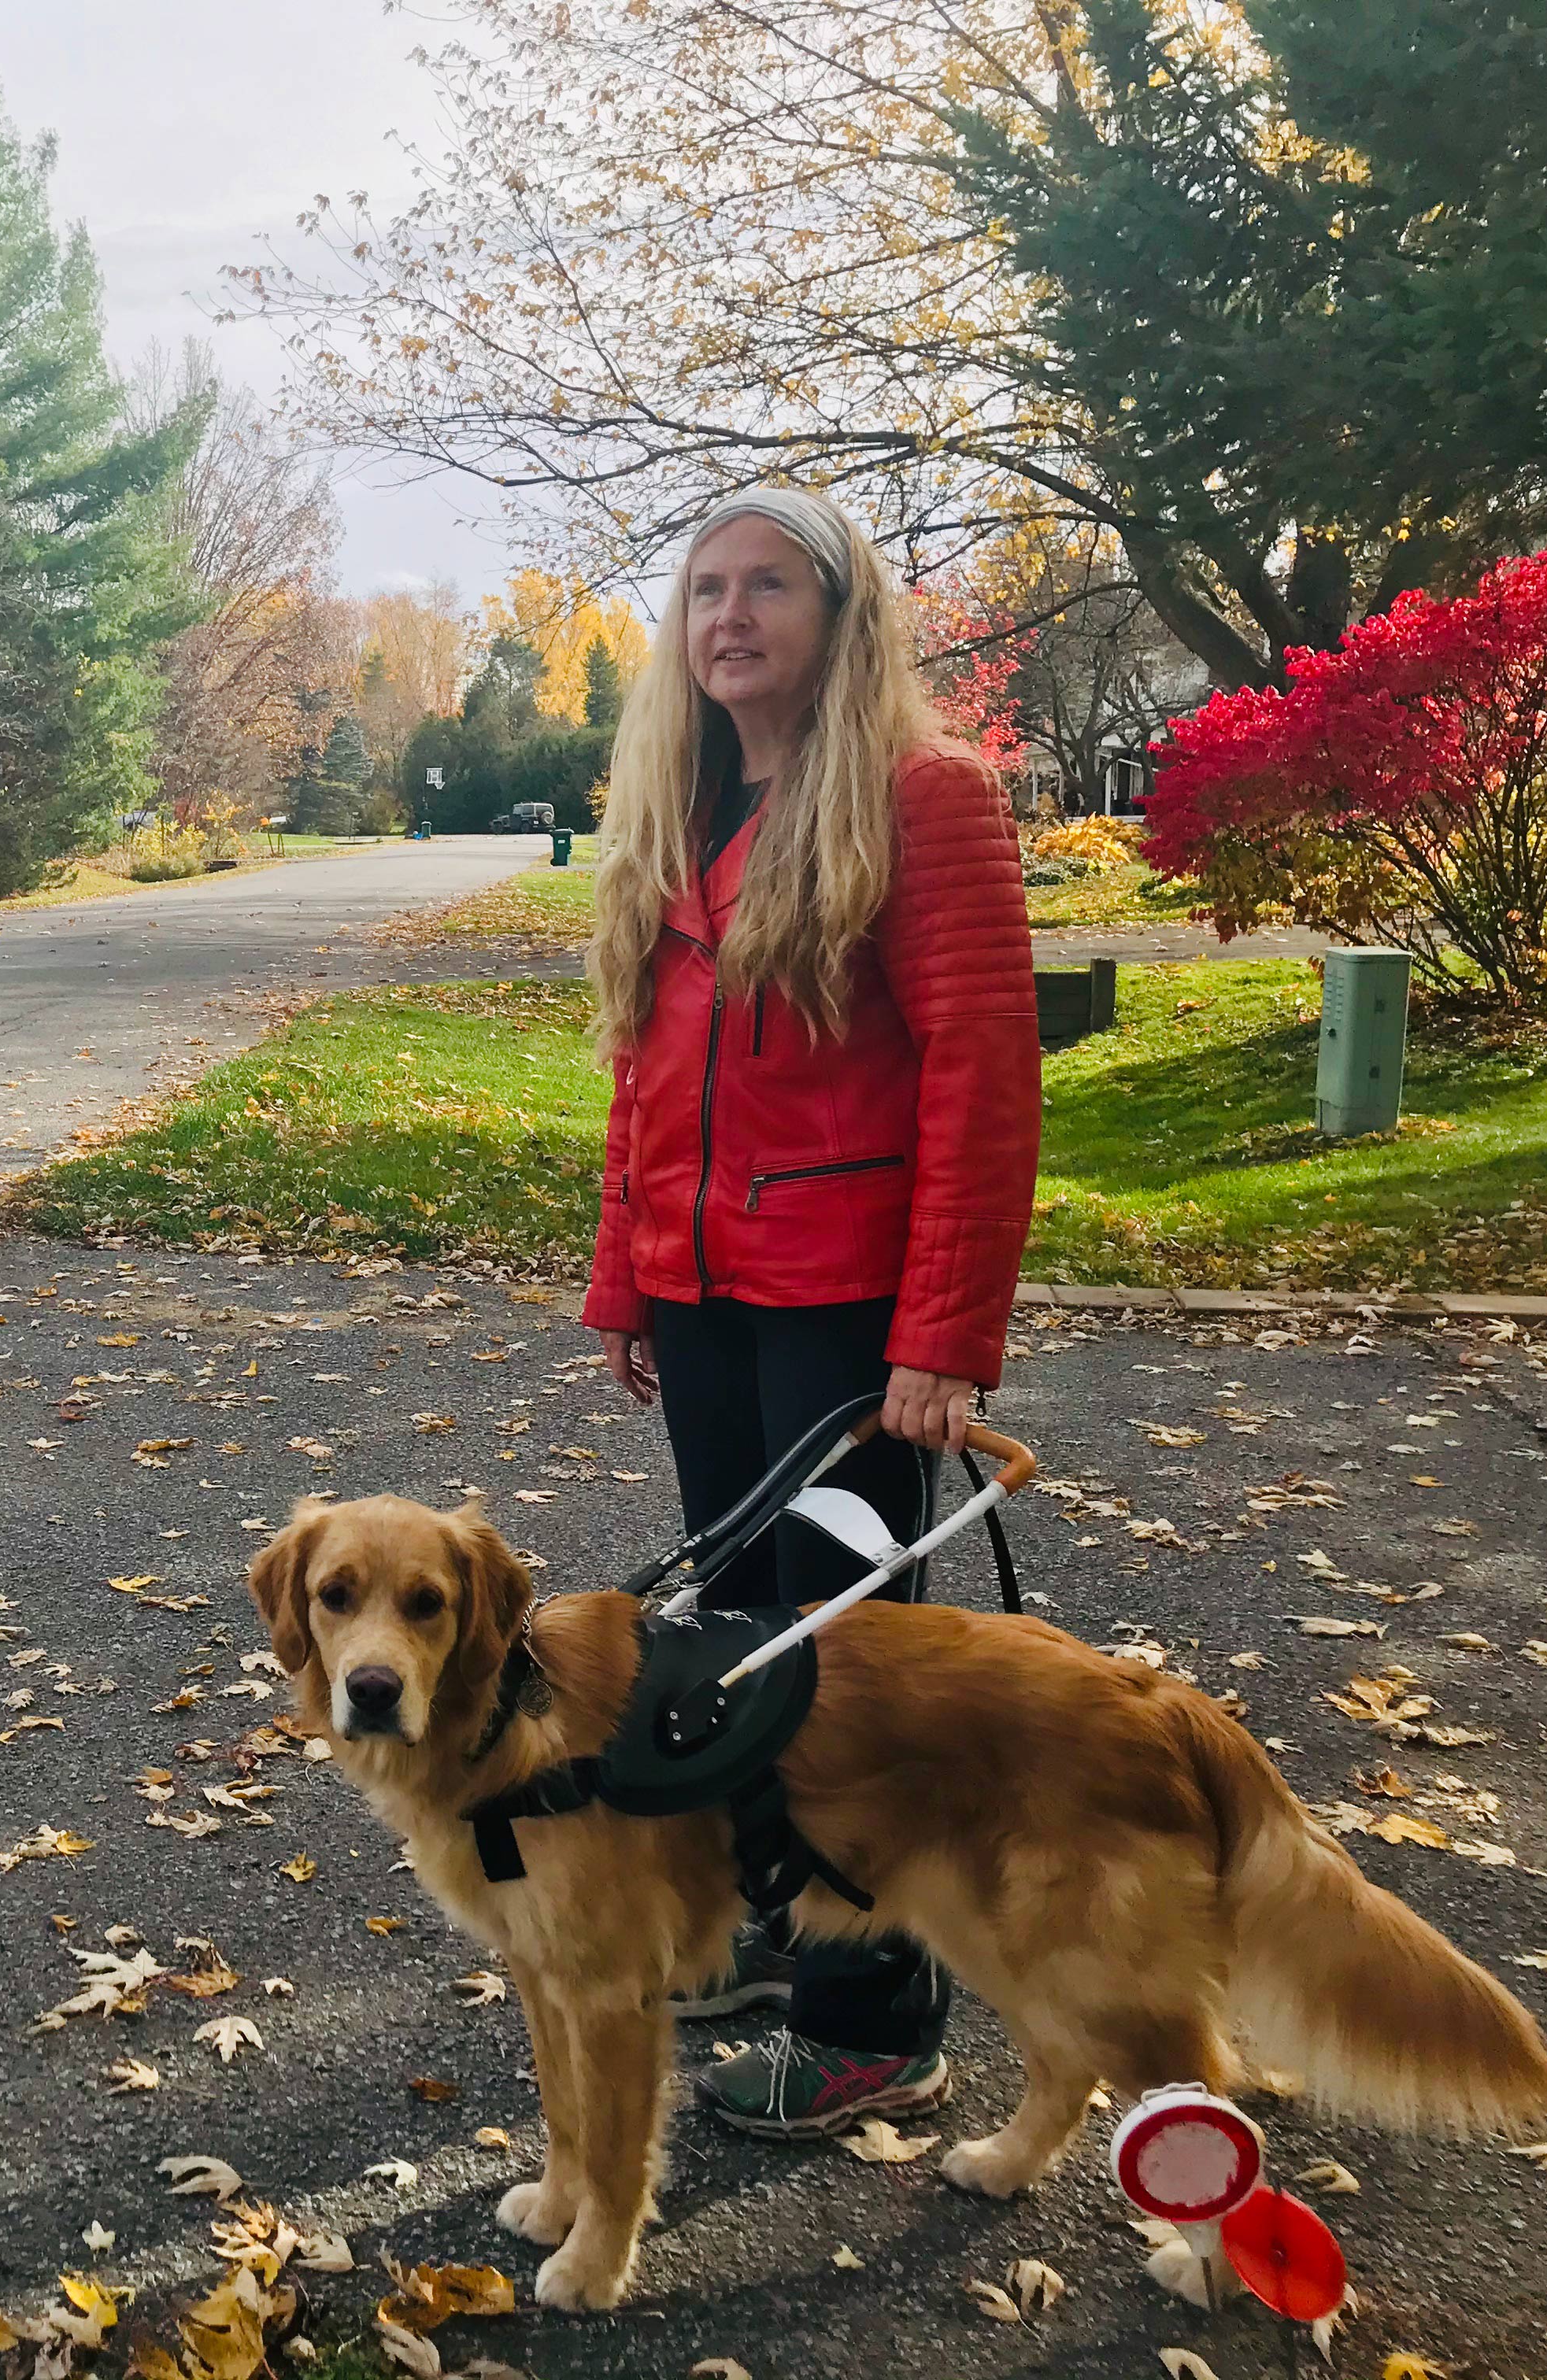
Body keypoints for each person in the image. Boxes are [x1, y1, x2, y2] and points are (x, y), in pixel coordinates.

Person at [580, 488, 1040, 2140]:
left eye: (769, 584)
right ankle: (783, 1924)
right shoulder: (685, 804)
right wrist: (626, 1278)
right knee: (739, 1642)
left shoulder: (927, 803)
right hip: (705, 1298)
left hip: (848, 1312)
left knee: (845, 1660)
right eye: (706, 587)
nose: (732, 614)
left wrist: (942, 1334)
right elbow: (646, 1072)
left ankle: (876, 2014)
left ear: (841, 619)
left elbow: (988, 1080)